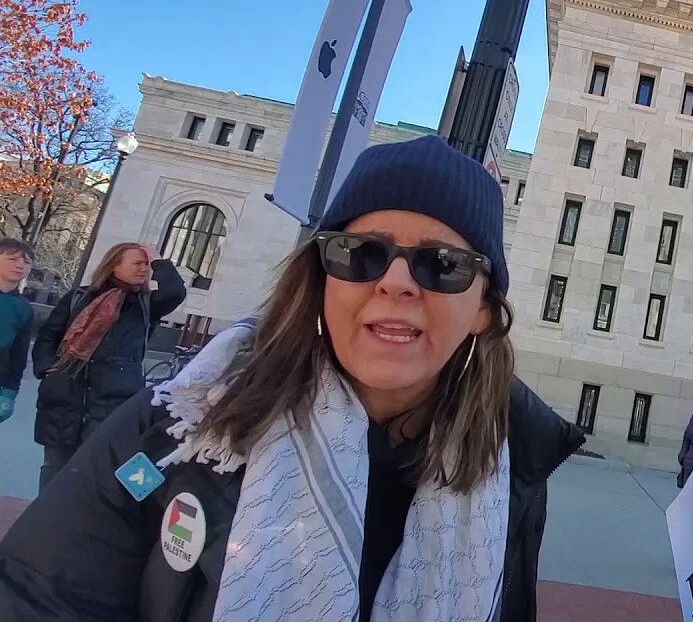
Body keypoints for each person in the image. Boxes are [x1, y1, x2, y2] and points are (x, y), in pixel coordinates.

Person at [0, 135, 586, 622]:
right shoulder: (179, 423)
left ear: (485, 309)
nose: (397, 283)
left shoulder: (513, 462)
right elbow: (39, 597)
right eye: (360, 253)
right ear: (321, 278)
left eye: (444, 265)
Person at [30, 242, 186, 487]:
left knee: (96, 472)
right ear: (114, 266)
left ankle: (80, 524)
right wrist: (47, 368)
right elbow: (50, 335)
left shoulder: (145, 305)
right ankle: (44, 523)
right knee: (54, 469)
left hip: (112, 400)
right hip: (65, 397)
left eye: (146, 265)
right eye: (137, 263)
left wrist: (158, 260)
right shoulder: (80, 298)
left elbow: (175, 292)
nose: (144, 269)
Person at [0, 238, 35, 426]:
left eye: (26, 261)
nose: (20, 265)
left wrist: (9, 392)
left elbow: (18, 355)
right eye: (13, 259)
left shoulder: (24, 309)